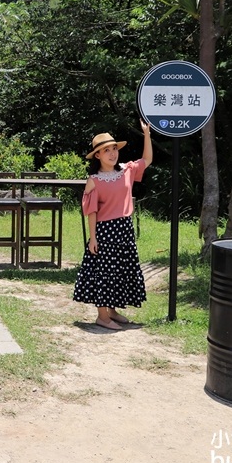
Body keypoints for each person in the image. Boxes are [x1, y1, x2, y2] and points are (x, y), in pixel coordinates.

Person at [73, 120, 152, 330]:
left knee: (120, 271)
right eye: (106, 150)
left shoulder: (126, 170)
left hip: (125, 229)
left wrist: (146, 134)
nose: (112, 153)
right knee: (104, 273)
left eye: (114, 149)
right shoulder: (94, 180)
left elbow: (147, 159)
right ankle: (102, 317)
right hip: (105, 231)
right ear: (97, 155)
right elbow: (91, 211)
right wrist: (93, 238)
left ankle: (113, 311)